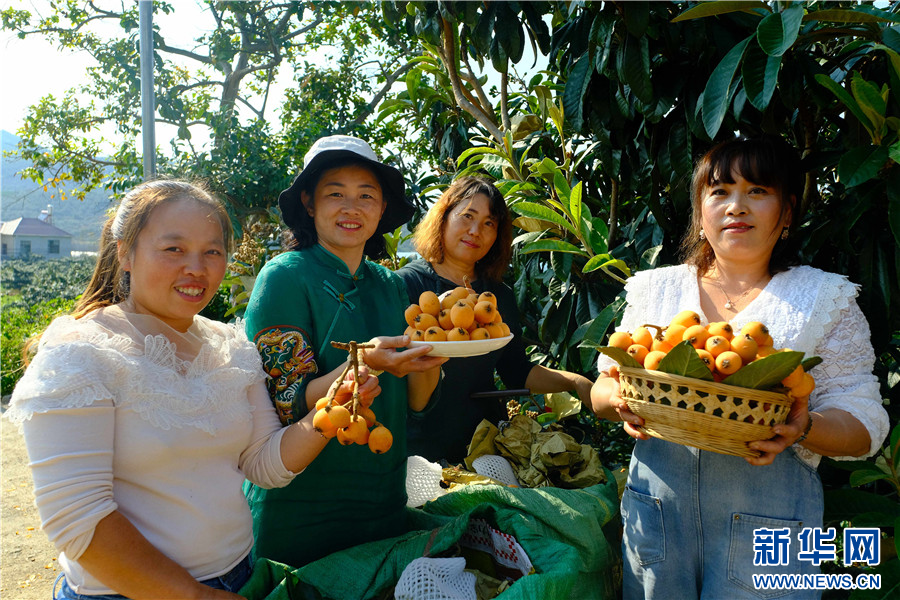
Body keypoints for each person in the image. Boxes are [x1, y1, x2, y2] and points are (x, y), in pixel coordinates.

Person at [5, 180, 338, 600]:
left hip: (240, 576)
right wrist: (196, 595)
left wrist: (331, 413)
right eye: (174, 249)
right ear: (125, 253)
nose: (196, 268)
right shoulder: (81, 353)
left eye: (212, 251)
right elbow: (77, 518)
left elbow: (263, 463)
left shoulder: (230, 346)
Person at [589, 136, 889, 599]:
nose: (737, 206)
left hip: (771, 525)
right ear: (699, 211)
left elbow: (864, 423)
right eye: (720, 191)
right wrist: (621, 401)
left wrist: (804, 426)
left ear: (787, 212)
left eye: (758, 191)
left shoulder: (823, 298)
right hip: (657, 520)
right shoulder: (656, 290)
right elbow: (602, 388)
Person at [242, 135, 447, 567]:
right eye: (335, 194)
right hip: (298, 513)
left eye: (366, 195)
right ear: (309, 203)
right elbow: (285, 401)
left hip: (381, 506)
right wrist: (364, 362)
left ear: (382, 208)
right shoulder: (285, 277)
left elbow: (417, 403)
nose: (352, 208)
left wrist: (433, 354)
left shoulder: (391, 285)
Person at [396, 176, 594, 464]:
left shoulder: (496, 296)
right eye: (467, 216)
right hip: (419, 451)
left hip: (484, 446)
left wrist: (575, 381)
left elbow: (516, 370)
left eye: (489, 223)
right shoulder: (404, 286)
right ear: (443, 217)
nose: (475, 231)